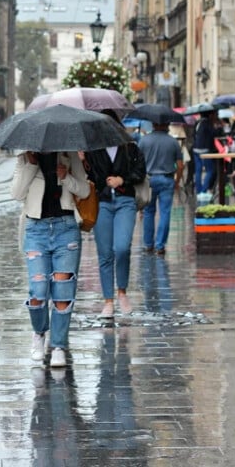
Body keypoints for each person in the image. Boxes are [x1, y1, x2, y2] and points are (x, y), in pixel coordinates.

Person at [11, 150, 90, 368]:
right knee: (38, 289)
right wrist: (31, 164)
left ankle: (58, 345)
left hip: (66, 228)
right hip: (36, 229)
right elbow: (16, 194)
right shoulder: (25, 158)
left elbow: (84, 191)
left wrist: (66, 177)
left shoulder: (69, 154)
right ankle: (39, 333)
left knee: (63, 290)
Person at [84, 114, 147, 319]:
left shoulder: (130, 147)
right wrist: (84, 163)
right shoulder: (93, 150)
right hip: (102, 203)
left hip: (125, 202)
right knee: (105, 253)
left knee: (122, 248)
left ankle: (122, 292)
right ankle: (108, 301)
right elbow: (90, 178)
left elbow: (141, 171)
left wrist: (123, 179)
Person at [137, 121, 184, 256]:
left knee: (148, 212)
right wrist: (177, 181)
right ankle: (160, 245)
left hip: (148, 180)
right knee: (165, 213)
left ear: (153, 125)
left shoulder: (143, 141)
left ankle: (148, 244)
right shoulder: (173, 142)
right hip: (166, 179)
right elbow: (180, 166)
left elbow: (137, 162)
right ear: (166, 124)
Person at [192, 109, 217, 194]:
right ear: (209, 115)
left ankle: (198, 191)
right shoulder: (207, 123)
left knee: (198, 170)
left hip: (195, 149)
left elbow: (193, 135)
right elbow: (213, 133)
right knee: (210, 170)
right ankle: (204, 190)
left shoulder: (197, 123)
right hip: (205, 150)